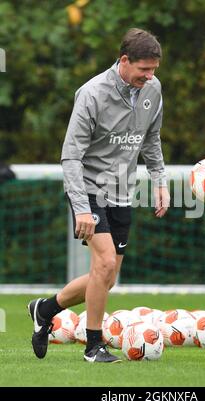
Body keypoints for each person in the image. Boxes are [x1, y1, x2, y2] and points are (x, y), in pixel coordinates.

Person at [28, 28, 170, 363]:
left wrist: (160, 182)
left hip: (122, 189)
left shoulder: (153, 88)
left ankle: (44, 309)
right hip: (89, 187)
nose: (149, 76)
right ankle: (94, 346)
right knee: (104, 262)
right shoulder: (92, 94)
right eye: (143, 70)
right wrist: (80, 208)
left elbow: (151, 139)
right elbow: (70, 155)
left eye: (154, 70)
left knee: (106, 276)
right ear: (124, 61)